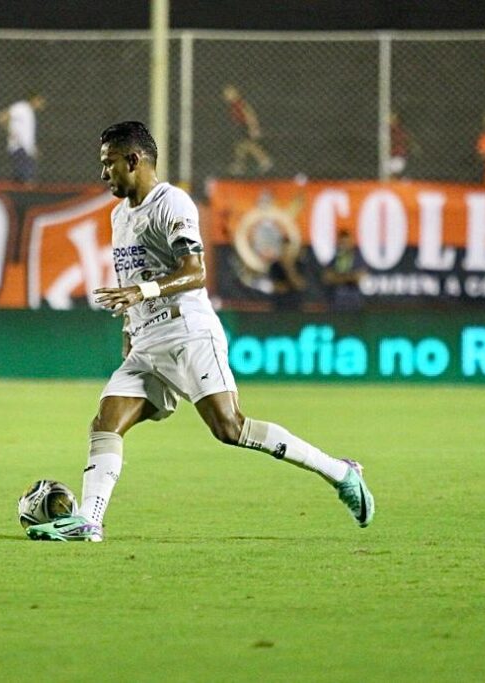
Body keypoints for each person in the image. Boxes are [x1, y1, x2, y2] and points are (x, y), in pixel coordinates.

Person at [24, 121, 374, 542]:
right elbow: (134, 274)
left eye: (109, 164)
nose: (104, 174)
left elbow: (195, 271)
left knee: (230, 428)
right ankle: (91, 522)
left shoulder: (173, 203)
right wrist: (130, 328)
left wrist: (141, 290)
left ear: (134, 160)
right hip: (146, 342)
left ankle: (340, 473)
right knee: (105, 421)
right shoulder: (119, 216)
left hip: (187, 332)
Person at [222, 84, 273, 176]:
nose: (227, 96)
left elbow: (250, 115)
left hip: (244, 126)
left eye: (229, 93)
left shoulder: (240, 103)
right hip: (240, 127)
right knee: (241, 147)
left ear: (236, 93)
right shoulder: (234, 105)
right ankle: (240, 166)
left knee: (249, 145)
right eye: (226, 94)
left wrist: (253, 128)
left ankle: (265, 161)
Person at [0, 93, 46, 183]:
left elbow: (27, 134)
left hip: (26, 150)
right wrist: (10, 131)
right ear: (34, 99)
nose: (42, 103)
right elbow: (2, 116)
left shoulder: (30, 112)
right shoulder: (21, 107)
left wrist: (33, 148)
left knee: (22, 180)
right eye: (40, 100)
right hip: (19, 149)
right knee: (27, 180)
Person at [322, 229, 367, 310]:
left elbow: (359, 277)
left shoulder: (358, 257)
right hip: (336, 301)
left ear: (352, 242)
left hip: (354, 302)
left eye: (347, 242)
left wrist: (337, 278)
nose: (344, 245)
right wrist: (350, 277)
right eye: (342, 243)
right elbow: (327, 277)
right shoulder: (335, 258)